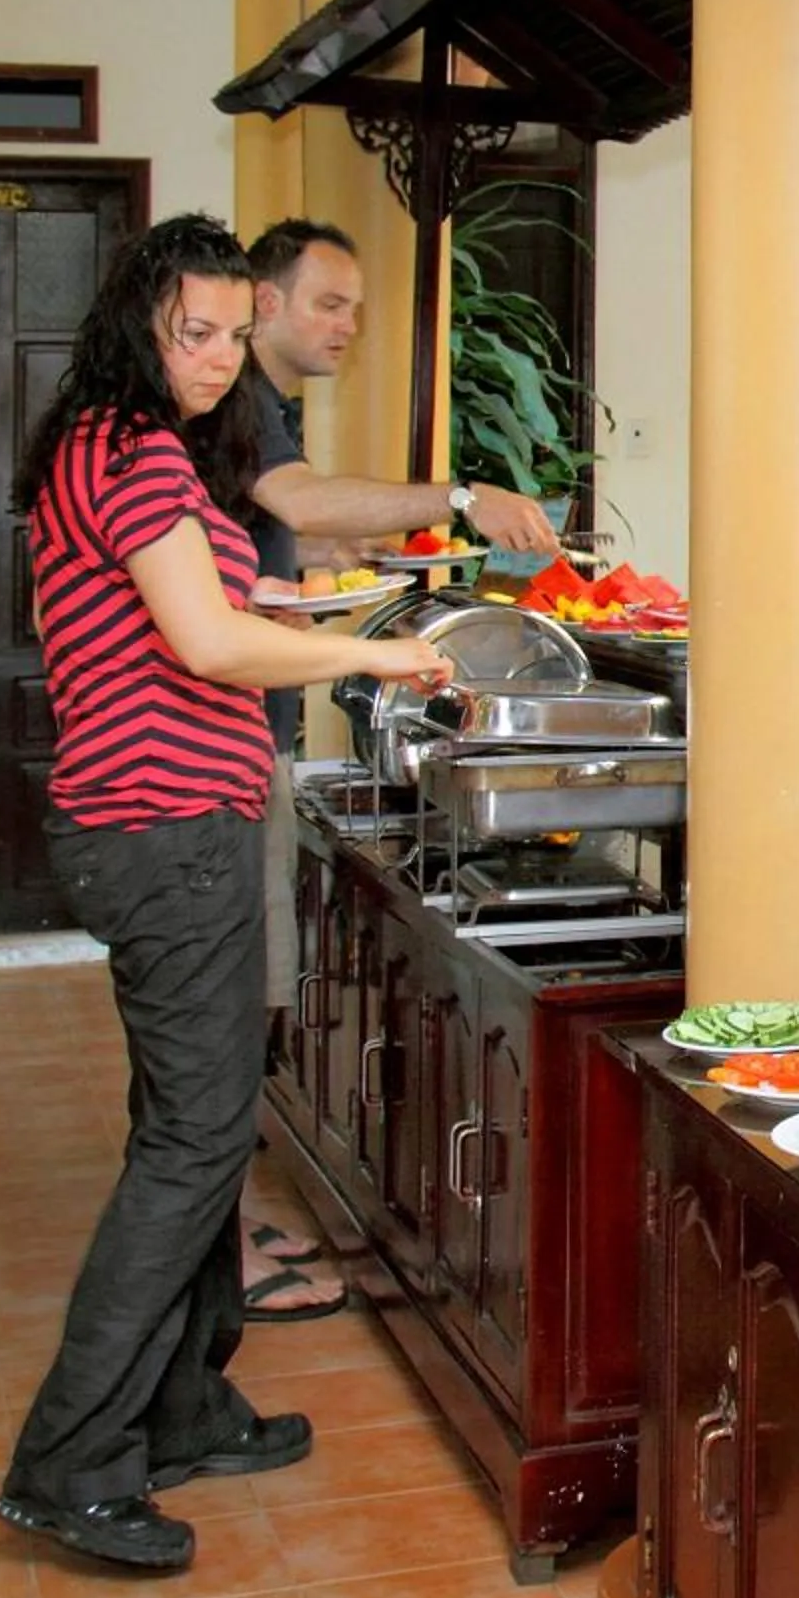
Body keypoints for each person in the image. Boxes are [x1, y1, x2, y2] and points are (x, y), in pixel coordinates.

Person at [0, 213, 455, 1573]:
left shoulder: (123, 444)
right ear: (138, 328)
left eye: (222, 333)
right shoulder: (131, 446)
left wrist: (324, 621)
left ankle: (185, 1406)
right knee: (194, 1147)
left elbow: (198, 609)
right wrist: (375, 667)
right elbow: (201, 640)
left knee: (191, 1127)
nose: (208, 359)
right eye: (185, 334)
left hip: (155, 822)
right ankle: (71, 1461)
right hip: (168, 828)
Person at [230, 220, 560, 1319]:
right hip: (223, 744)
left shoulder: (259, 407)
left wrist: (333, 564)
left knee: (241, 1000)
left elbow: (278, 539)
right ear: (263, 304)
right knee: (232, 1002)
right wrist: (457, 499)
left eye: (356, 308)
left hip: (249, 731)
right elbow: (298, 502)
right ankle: (213, 1246)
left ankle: (219, 1226)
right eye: (329, 303)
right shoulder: (239, 396)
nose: (346, 325)